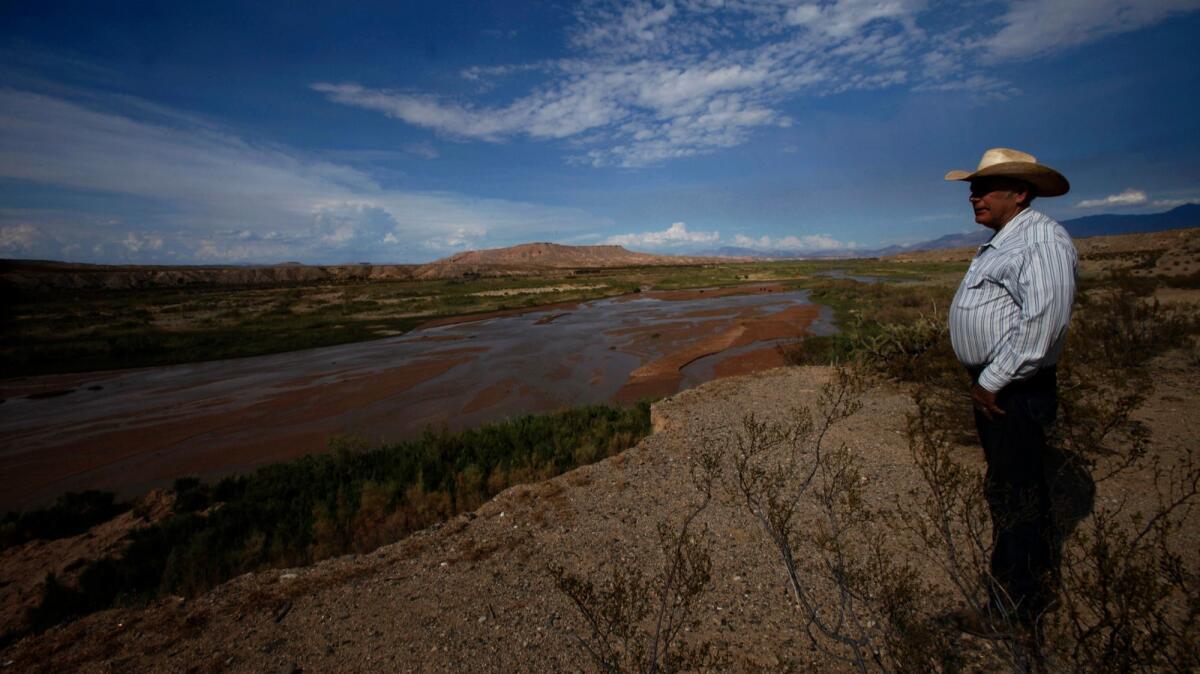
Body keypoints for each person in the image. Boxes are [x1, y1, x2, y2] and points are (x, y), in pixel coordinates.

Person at [943, 148, 1077, 638]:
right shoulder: (1006, 239)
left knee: (1015, 493)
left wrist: (991, 381)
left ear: (1020, 193)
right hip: (1001, 385)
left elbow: (1044, 324)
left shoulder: (1040, 238)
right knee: (1010, 488)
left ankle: (1014, 612)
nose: (974, 197)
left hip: (1013, 388)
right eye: (972, 189)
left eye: (984, 188)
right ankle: (1024, 591)